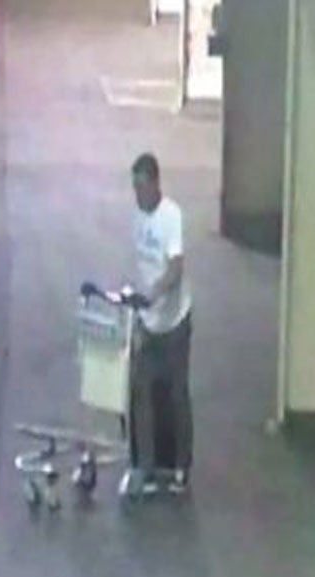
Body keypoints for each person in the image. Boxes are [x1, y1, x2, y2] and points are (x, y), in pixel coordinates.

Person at [128, 152, 194, 494]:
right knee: (142, 392)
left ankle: (181, 465)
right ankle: (147, 465)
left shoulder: (172, 216)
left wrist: (155, 292)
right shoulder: (136, 217)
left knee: (176, 391)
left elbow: (175, 267)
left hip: (173, 321)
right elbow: (140, 263)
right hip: (147, 320)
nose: (138, 195)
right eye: (134, 188)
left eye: (142, 187)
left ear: (155, 183)